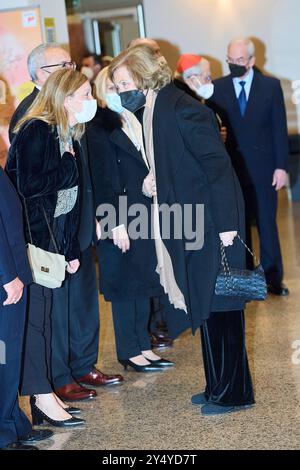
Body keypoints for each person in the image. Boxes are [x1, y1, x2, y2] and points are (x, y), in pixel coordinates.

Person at [109, 45, 255, 415]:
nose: (118, 90)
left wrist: (227, 228)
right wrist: (157, 182)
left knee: (222, 308)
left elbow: (218, 170)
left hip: (211, 225)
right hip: (190, 222)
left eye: (123, 82)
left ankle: (234, 392)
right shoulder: (159, 109)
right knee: (207, 308)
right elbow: (181, 166)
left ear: (142, 79)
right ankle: (216, 384)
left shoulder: (183, 108)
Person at [9, 43, 123, 403]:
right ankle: (58, 376)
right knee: (53, 311)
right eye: (64, 65)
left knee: (82, 300)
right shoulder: (32, 118)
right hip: (47, 234)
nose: (72, 67)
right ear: (41, 74)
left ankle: (82, 363)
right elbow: (31, 183)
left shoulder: (75, 112)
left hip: (76, 223)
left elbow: (86, 167)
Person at [6, 68, 94, 427]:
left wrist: (70, 249)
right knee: (38, 324)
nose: (92, 101)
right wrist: (68, 168)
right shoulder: (36, 130)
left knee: (44, 321)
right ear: (66, 98)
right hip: (31, 242)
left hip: (52, 242)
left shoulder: (64, 133)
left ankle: (45, 397)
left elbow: (67, 205)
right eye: (86, 94)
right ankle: (42, 398)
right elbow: (24, 186)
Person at [87, 67, 174, 372]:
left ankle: (141, 344)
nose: (117, 91)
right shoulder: (97, 126)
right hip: (119, 215)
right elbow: (102, 178)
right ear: (99, 90)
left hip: (141, 209)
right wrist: (114, 223)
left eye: (120, 85)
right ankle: (128, 350)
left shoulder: (130, 117)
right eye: (110, 86)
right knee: (124, 284)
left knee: (141, 281)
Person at [208, 38, 289, 296]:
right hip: (231, 169)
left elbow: (279, 129)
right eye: (230, 59)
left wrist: (281, 167)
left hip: (264, 168)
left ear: (252, 61)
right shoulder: (217, 88)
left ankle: (273, 278)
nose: (234, 64)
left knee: (267, 223)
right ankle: (244, 279)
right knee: (239, 225)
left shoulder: (270, 86)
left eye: (240, 60)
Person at [0, 167, 53, 450]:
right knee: (3, 358)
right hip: (5, 278)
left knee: (10, 356)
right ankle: (3, 433)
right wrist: (7, 276)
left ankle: (14, 424)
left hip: (11, 272)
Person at [9, 43, 75, 143]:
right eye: (64, 65)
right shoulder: (30, 110)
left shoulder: (62, 100)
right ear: (42, 74)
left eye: (71, 64)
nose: (71, 71)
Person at [174, 54, 227, 143]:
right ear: (192, 80)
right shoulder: (188, 106)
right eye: (207, 78)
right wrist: (216, 140)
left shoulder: (184, 97)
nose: (210, 82)